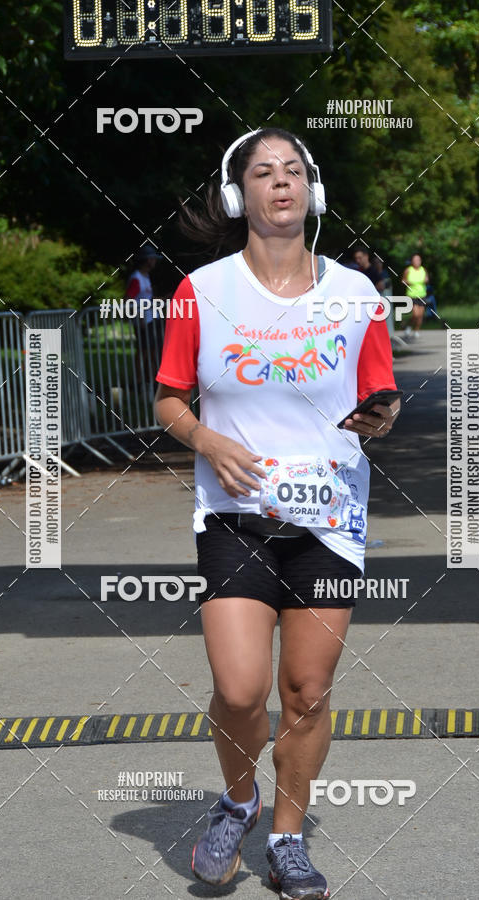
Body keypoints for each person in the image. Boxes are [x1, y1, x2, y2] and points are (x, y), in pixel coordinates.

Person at [154, 127, 400, 900]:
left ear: (312, 191)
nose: (281, 183)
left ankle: (288, 839)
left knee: (305, 690)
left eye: (293, 170)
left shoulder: (356, 295)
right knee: (237, 687)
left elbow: (381, 396)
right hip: (234, 514)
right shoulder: (203, 291)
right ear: (240, 196)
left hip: (328, 520)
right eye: (264, 172)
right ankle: (237, 800)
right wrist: (205, 438)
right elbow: (167, 399)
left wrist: (380, 419)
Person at [125, 244, 163, 385]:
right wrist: (139, 316)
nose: (154, 262)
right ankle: (139, 382)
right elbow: (128, 300)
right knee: (143, 353)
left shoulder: (145, 277)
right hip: (143, 322)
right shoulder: (137, 278)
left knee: (152, 353)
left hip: (150, 320)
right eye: (153, 259)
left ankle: (151, 382)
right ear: (147, 260)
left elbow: (145, 299)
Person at [401, 252, 429, 340]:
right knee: (415, 314)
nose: (417, 261)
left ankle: (416, 330)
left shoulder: (423, 269)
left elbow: (427, 279)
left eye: (418, 260)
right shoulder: (408, 270)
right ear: (412, 261)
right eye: (415, 260)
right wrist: (409, 282)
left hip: (422, 294)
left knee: (420, 315)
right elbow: (403, 280)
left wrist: (426, 280)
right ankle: (408, 327)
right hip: (412, 295)